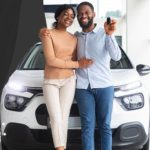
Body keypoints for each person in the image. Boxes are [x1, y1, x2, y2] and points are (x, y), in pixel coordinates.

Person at [39, 4, 92, 150]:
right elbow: (51, 61)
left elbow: (75, 59)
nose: (69, 18)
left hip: (69, 80)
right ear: (57, 16)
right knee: (55, 118)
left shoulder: (74, 38)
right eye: (65, 14)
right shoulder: (47, 34)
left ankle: (61, 148)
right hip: (51, 82)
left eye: (72, 16)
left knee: (63, 118)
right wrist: (77, 64)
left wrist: (76, 64)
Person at [75, 2, 121, 150]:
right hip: (83, 87)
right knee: (87, 127)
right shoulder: (76, 37)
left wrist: (109, 35)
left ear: (93, 15)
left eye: (86, 12)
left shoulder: (104, 32)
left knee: (105, 126)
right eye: (80, 13)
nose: (83, 15)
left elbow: (116, 56)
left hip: (104, 86)